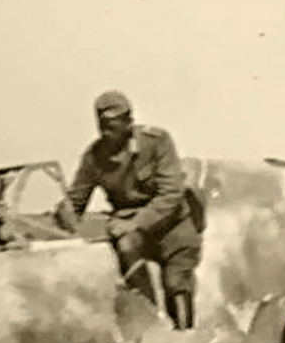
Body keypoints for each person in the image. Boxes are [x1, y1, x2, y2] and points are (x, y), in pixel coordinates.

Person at [62, 89, 202, 329]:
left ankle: (185, 335)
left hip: (172, 222)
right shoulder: (94, 156)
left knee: (176, 280)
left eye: (113, 123)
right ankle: (153, 324)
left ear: (128, 121)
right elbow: (74, 203)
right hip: (132, 228)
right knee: (126, 247)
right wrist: (49, 221)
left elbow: (171, 194)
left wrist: (135, 223)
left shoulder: (157, 141)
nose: (106, 129)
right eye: (102, 123)